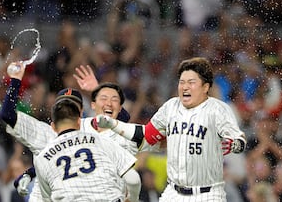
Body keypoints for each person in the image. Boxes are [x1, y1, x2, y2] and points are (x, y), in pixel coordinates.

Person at [94, 57, 247, 201]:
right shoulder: (170, 107)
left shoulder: (218, 110)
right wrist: (113, 125)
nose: (185, 87)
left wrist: (234, 144)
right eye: (182, 82)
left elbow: (240, 139)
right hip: (173, 192)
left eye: (191, 82)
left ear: (205, 87)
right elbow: (146, 135)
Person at [1, 63, 141, 202]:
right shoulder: (94, 137)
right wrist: (30, 173)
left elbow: (123, 119)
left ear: (81, 111)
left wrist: (16, 79)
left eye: (71, 105)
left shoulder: (91, 127)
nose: (68, 109)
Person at [34, 98, 137, 201]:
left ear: (53, 127)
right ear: (79, 121)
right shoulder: (101, 140)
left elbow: (47, 199)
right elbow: (134, 180)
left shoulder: (42, 158)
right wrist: (132, 199)